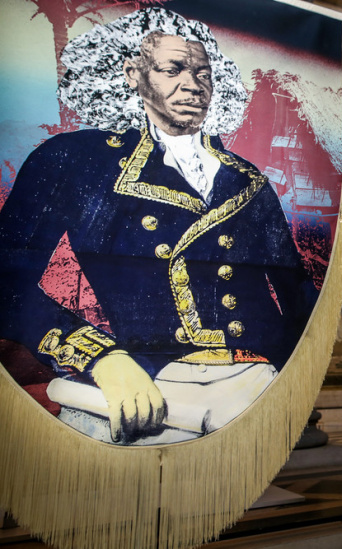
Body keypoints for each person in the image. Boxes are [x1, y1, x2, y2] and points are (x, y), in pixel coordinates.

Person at [0, 9, 317, 443]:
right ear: (133, 74)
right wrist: (103, 359)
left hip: (264, 379)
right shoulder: (76, 161)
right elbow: (6, 281)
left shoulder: (249, 179)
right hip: (156, 381)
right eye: (173, 69)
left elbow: (295, 292)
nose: (192, 84)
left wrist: (298, 377)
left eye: (203, 73)